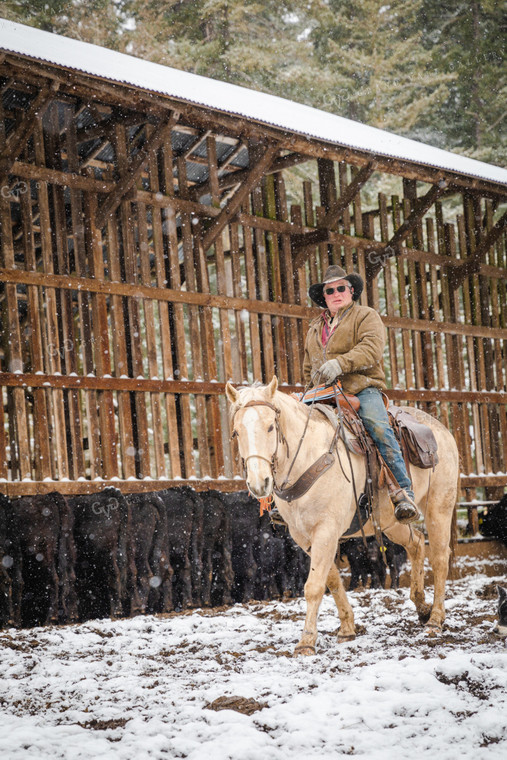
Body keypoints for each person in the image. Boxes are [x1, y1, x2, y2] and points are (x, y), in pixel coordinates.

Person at [304, 264, 420, 524]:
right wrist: (308, 388)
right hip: (322, 393)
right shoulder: (314, 328)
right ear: (324, 296)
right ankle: (293, 497)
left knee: (378, 427)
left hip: (361, 388)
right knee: (296, 429)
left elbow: (371, 350)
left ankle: (403, 493)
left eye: (341, 288)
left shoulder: (366, 316)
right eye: (329, 290)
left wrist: (340, 364)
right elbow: (307, 366)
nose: (335, 293)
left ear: (351, 290)